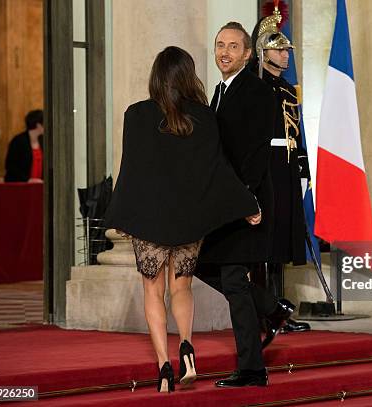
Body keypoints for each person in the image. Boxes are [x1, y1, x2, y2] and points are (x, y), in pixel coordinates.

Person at [103, 46, 260, 392]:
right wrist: (247, 203)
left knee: (152, 291)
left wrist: (119, 213)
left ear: (156, 76)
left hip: (149, 220)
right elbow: (217, 170)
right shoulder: (204, 117)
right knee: (182, 286)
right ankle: (187, 347)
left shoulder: (137, 115)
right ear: (189, 76)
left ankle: (163, 367)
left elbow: (131, 170)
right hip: (188, 219)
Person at [194, 21, 297, 388]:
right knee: (203, 265)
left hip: (246, 202)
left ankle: (252, 369)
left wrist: (247, 201)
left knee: (235, 280)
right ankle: (272, 308)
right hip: (227, 202)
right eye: (220, 44)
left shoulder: (255, 91)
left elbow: (254, 155)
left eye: (233, 46)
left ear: (248, 53)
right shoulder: (220, 91)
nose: (224, 52)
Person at [249, 3, 311, 334]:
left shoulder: (286, 88)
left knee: (283, 240)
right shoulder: (253, 85)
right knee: (266, 242)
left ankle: (280, 309)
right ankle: (266, 310)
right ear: (262, 51)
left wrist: (302, 168)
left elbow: (295, 132)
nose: (286, 54)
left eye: (287, 48)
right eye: (279, 48)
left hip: (286, 167)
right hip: (266, 168)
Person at [4, 110, 44, 183]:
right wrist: (27, 180)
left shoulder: (44, 141)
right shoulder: (18, 141)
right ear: (38, 125)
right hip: (21, 186)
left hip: (39, 186)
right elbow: (10, 167)